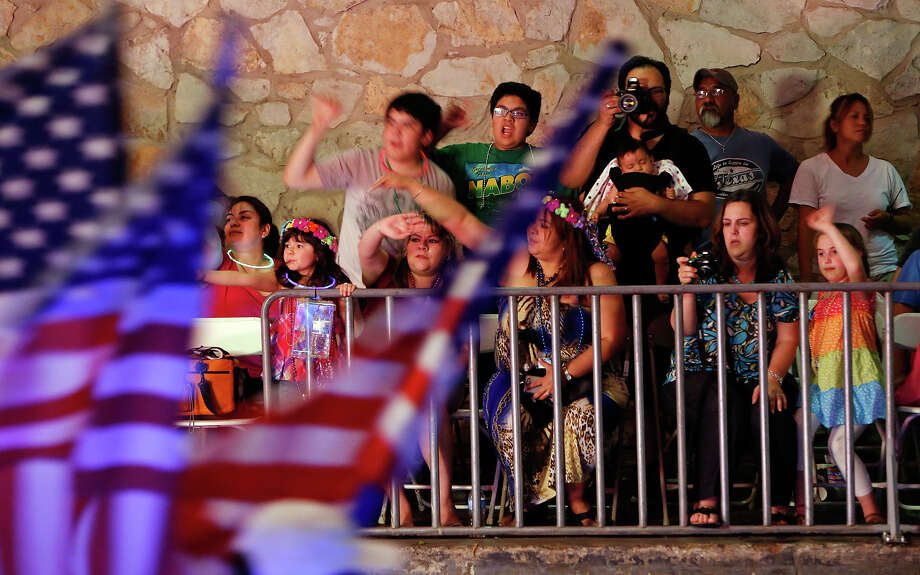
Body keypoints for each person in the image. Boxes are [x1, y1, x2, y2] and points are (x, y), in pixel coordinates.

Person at [668, 189, 800, 526]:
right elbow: (682, 329)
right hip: (696, 374)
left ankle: (777, 504)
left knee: (775, 405)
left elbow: (788, 340)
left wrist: (772, 379)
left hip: (756, 375)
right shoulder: (704, 266)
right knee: (722, 392)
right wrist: (684, 289)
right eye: (727, 224)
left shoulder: (778, 277)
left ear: (761, 230)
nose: (733, 232)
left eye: (742, 223)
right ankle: (708, 498)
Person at [560, 55, 716, 287]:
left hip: (668, 280)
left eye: (655, 91)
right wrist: (603, 122)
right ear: (623, 95)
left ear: (668, 96)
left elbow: (704, 215)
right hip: (602, 279)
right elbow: (571, 179)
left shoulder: (687, 146)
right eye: (637, 92)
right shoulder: (603, 136)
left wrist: (656, 204)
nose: (646, 99)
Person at [283, 92, 455, 287]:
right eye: (391, 123)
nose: (395, 132)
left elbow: (443, 239)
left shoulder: (440, 183)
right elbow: (295, 178)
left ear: (426, 136)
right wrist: (318, 126)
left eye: (407, 125)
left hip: (403, 288)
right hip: (348, 286)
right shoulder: (360, 162)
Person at [357, 211, 462, 526]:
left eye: (432, 240)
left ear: (446, 247)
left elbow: (464, 351)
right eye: (415, 240)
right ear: (404, 247)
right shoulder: (388, 273)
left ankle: (444, 506)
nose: (422, 247)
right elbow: (366, 251)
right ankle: (400, 506)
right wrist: (380, 228)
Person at [796, 205, 886, 524]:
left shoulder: (859, 293)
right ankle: (801, 502)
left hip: (857, 382)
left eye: (835, 251)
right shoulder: (820, 298)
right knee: (797, 427)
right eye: (821, 253)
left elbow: (854, 267)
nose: (828, 260)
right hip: (826, 385)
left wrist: (828, 227)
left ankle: (870, 510)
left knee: (839, 442)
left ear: (854, 254)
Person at [205, 218, 356, 388]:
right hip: (289, 370)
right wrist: (203, 274)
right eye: (287, 246)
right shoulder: (282, 282)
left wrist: (347, 294)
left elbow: (354, 328)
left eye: (299, 246)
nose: (290, 251)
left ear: (318, 253)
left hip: (329, 369)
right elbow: (244, 278)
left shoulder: (335, 287)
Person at [790, 93, 912, 282]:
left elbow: (908, 224)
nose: (862, 122)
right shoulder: (812, 169)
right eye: (854, 116)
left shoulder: (885, 170)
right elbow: (806, 231)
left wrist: (887, 220)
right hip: (835, 275)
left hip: (883, 271)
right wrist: (807, 284)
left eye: (867, 118)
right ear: (835, 125)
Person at [583, 137, 692, 300]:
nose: (638, 168)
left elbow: (667, 204)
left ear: (652, 160)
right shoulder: (619, 183)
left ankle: (661, 287)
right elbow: (607, 200)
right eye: (630, 166)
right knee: (610, 256)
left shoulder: (658, 181)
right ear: (621, 169)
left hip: (650, 230)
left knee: (661, 256)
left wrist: (670, 197)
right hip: (620, 229)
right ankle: (611, 290)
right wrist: (597, 212)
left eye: (642, 162)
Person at [690, 68, 799, 225]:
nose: (707, 99)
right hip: (706, 247)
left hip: (755, 247)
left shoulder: (761, 143)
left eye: (717, 91)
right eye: (701, 93)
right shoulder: (686, 147)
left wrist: (771, 221)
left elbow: (794, 175)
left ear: (736, 100)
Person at [429, 82, 542, 223]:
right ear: (492, 118)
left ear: (531, 124)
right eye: (500, 111)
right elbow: (417, 159)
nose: (508, 118)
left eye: (518, 113)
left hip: (528, 244)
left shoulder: (550, 161)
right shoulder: (466, 155)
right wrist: (442, 129)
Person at [205, 196, 281, 380]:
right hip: (217, 380)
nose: (234, 223)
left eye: (244, 217)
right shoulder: (214, 264)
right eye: (229, 219)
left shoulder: (287, 271)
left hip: (275, 382)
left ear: (264, 230)